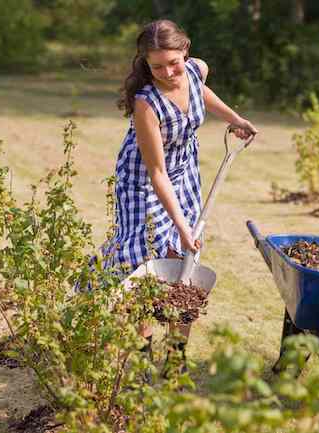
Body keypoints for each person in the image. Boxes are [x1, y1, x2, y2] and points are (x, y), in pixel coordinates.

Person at [102, 19, 257, 373]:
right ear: (145, 63)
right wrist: (180, 225)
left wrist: (235, 118)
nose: (168, 72)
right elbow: (156, 173)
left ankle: (176, 357)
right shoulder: (147, 104)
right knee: (147, 264)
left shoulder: (195, 69)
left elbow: (200, 90)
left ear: (185, 51)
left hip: (184, 174)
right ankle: (141, 356)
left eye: (173, 62)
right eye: (157, 66)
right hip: (143, 183)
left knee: (187, 261)